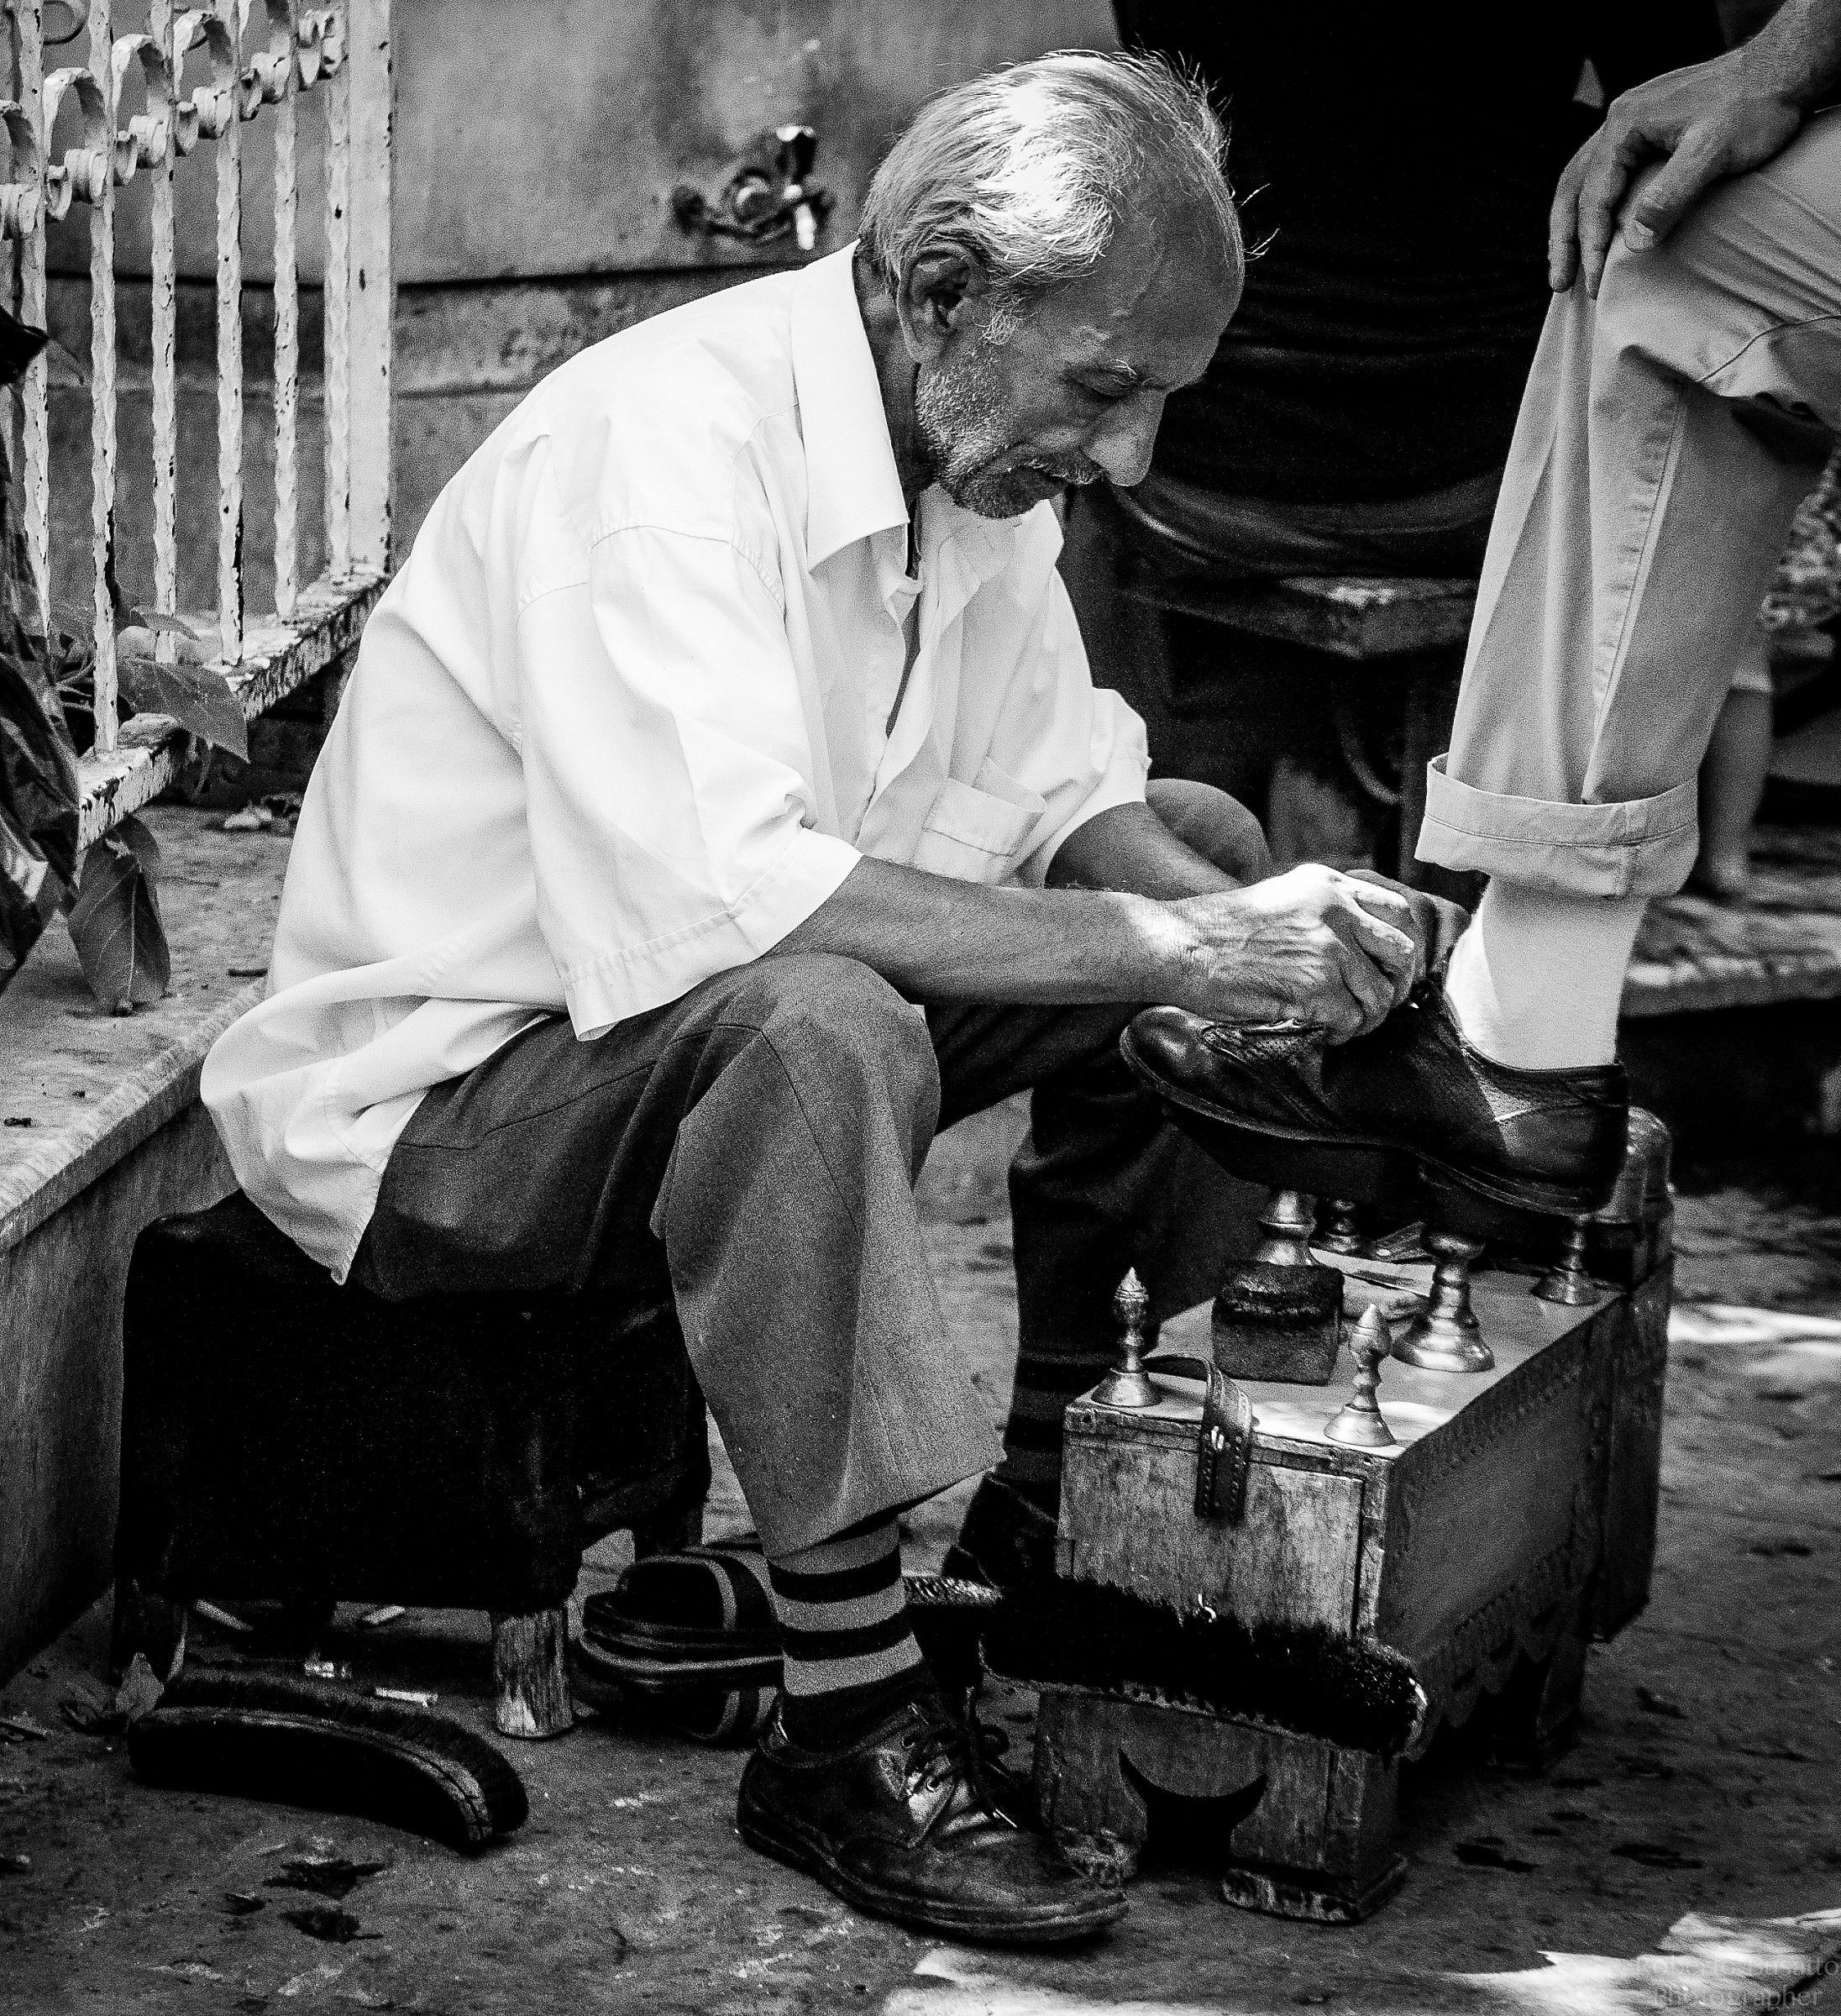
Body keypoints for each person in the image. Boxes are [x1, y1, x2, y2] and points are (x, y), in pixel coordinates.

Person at [202, 52, 1461, 1944]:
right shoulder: (657, 459)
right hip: (438, 1118)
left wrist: (1274, 937)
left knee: (1185, 828)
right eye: (1105, 392)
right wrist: (1183, 948)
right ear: (938, 292)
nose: (1126, 462)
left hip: (668, 1046)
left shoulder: (966, 459)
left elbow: (1065, 806)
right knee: (825, 1025)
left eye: (1156, 407)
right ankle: (848, 1720)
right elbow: (726, 910)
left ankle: (1059, 1529)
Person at [1125, 2, 1841, 1221]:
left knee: (1680, 235)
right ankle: (1523, 1035)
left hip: (1208, 462)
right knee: (1676, 228)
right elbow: (1669, 73)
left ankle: (1526, 1040)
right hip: (1452, 448)